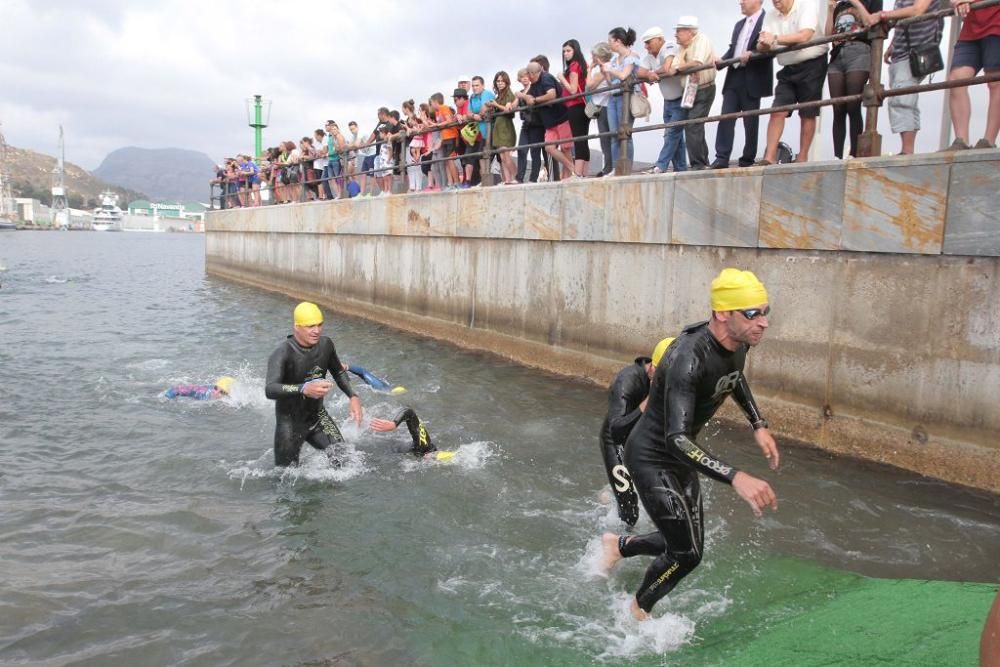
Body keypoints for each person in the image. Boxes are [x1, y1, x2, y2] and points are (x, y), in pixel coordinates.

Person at [601, 268, 780, 620]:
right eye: (752, 313)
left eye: (765, 312)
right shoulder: (688, 358)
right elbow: (677, 438)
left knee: (688, 544)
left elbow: (734, 377)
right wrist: (736, 477)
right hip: (652, 458)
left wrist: (758, 423)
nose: (763, 323)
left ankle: (618, 547)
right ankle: (636, 612)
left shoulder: (738, 342)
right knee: (687, 554)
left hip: (680, 456)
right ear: (722, 313)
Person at [264, 302, 363, 467]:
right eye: (310, 326)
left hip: (318, 418)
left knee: (346, 462)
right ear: (297, 327)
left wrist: (352, 396)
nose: (316, 330)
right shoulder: (282, 353)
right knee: (285, 479)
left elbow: (338, 372)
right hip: (289, 426)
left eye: (319, 325)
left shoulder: (326, 345)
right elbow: (270, 389)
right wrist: (303, 388)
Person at [599, 337, 675, 527]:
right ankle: (619, 543)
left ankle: (613, 489)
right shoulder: (628, 380)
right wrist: (646, 404)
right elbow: (616, 429)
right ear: (653, 369)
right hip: (617, 440)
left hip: (644, 440)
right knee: (630, 514)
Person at [861, 0, 940, 154]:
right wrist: (893, 45)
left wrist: (882, 15)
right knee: (904, 96)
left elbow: (918, 9)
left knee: (901, 97)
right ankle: (908, 148)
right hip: (905, 51)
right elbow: (905, 16)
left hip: (916, 50)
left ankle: (907, 149)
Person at [757, 0, 830, 165]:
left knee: (807, 112)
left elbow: (805, 35)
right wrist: (763, 44)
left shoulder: (807, 5)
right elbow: (762, 44)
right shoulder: (770, 14)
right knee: (778, 110)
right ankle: (769, 157)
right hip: (787, 67)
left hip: (812, 63)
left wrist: (774, 38)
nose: (776, 1)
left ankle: (802, 157)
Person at [713, 0, 774, 169]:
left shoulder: (768, 20)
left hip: (753, 76)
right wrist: (722, 61)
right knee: (725, 117)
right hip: (734, 75)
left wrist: (753, 53)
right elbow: (734, 48)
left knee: (750, 121)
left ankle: (747, 159)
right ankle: (721, 157)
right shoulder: (739, 24)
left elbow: (771, 48)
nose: (741, 2)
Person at [827, 0, 882, 159]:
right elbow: (828, 34)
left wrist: (855, 3)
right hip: (837, 55)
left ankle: (854, 153)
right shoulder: (840, 5)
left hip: (860, 50)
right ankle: (837, 156)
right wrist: (831, 10)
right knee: (838, 108)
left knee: (853, 105)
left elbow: (872, 22)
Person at [945, 0, 1000, 150]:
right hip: (971, 28)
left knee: (995, 81)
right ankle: (961, 141)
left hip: (997, 24)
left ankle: (988, 141)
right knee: (956, 79)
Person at [638, 26, 688, 173]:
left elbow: (668, 66)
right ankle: (681, 169)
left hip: (680, 98)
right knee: (676, 136)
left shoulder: (669, 46)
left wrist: (652, 73)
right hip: (668, 99)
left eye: (649, 42)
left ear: (659, 39)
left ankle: (661, 165)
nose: (646, 46)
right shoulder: (649, 56)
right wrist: (648, 74)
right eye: (645, 43)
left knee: (672, 133)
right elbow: (639, 72)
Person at [672, 16, 718, 170]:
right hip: (690, 89)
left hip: (704, 87)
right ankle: (702, 161)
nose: (676, 34)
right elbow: (673, 67)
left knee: (693, 125)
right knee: (695, 126)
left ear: (689, 31)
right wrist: (684, 67)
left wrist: (681, 68)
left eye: (679, 31)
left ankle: (698, 163)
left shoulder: (701, 40)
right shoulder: (681, 48)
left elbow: (696, 62)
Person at [520, 62, 578, 180]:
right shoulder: (534, 84)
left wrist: (535, 100)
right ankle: (573, 169)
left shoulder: (546, 78)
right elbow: (526, 97)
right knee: (549, 147)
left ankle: (570, 175)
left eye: (528, 73)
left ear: (532, 73)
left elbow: (552, 94)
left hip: (561, 118)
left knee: (565, 148)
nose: (526, 76)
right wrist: (524, 96)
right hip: (550, 122)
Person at [602, 27, 642, 171]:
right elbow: (610, 81)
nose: (609, 44)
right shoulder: (614, 59)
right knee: (614, 135)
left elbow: (624, 75)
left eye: (610, 41)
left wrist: (610, 70)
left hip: (626, 97)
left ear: (618, 41)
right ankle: (615, 168)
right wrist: (605, 72)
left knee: (625, 133)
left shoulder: (632, 56)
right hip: (613, 96)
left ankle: (626, 167)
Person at [558, 39, 592, 177]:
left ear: (575, 51)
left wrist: (561, 78)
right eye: (564, 51)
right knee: (583, 139)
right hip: (583, 106)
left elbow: (572, 89)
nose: (565, 54)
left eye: (568, 51)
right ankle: (584, 173)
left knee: (579, 139)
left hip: (575, 106)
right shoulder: (583, 64)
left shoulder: (573, 66)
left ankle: (578, 173)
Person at [370, 408, 456, 461]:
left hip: (387, 445)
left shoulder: (422, 450)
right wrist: (394, 424)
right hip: (383, 448)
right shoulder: (424, 445)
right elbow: (409, 412)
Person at [587, 42, 617, 177]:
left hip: (605, 106)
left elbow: (590, 85)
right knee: (604, 138)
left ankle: (610, 167)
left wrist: (589, 69)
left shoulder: (605, 68)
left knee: (607, 138)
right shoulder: (600, 68)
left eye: (593, 54)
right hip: (600, 105)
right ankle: (608, 166)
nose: (591, 57)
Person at [514, 68, 545, 183]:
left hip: (536, 123)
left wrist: (520, 95)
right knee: (521, 150)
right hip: (526, 124)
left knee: (535, 152)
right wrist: (516, 97)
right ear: (519, 79)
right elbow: (513, 106)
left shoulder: (535, 88)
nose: (525, 78)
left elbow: (532, 100)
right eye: (522, 76)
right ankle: (519, 178)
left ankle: (533, 178)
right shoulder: (520, 92)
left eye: (527, 75)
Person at [487, 71, 518, 184]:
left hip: (506, 127)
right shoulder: (498, 96)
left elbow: (508, 109)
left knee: (507, 156)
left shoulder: (509, 93)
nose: (500, 83)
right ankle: (508, 179)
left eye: (502, 81)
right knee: (502, 157)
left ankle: (516, 177)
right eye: (498, 81)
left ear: (506, 82)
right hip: (498, 129)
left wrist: (495, 105)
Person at [342, 363, 407, 394]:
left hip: (381, 388)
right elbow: (362, 371)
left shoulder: (379, 387)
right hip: (383, 388)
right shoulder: (381, 387)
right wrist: (347, 367)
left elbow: (362, 372)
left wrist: (347, 367)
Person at [165, 376, 234, 400]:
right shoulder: (201, 392)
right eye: (216, 388)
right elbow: (175, 389)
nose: (216, 392)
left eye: (222, 392)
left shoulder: (228, 399)